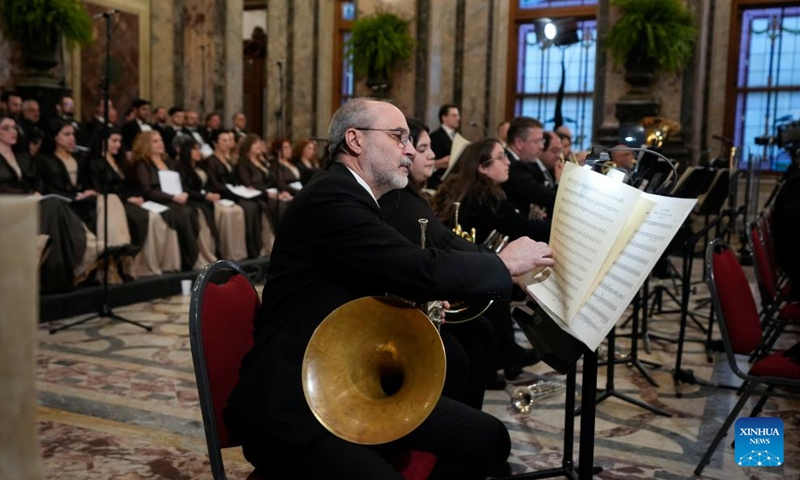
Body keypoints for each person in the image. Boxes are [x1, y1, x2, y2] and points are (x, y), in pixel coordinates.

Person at [225, 98, 555, 479]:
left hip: (348, 376)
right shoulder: (331, 196)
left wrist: (500, 280)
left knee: (489, 438)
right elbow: (417, 267)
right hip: (298, 400)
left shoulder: (361, 197)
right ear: (355, 140)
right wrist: (503, 264)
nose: (411, 149)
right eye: (398, 137)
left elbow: (393, 272)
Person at [379, 116, 503, 407]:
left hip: (419, 293)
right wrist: (501, 263)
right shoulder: (400, 198)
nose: (431, 155)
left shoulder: (411, 195)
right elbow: (443, 244)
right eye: (422, 148)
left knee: (480, 329)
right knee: (465, 345)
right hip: (395, 310)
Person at [0, 113, 94, 293]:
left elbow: (37, 184)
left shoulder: (23, 157)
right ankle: (89, 249)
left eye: (14, 128)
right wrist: (26, 194)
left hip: (31, 203)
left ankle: (56, 275)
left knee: (55, 206)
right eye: (6, 128)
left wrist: (33, 193)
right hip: (7, 206)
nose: (13, 132)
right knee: (55, 205)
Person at [86, 127, 181, 277]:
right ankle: (143, 264)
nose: (118, 145)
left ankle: (161, 263)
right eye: (114, 141)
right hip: (113, 203)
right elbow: (100, 188)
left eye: (119, 141)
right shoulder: (95, 162)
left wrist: (135, 197)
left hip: (129, 199)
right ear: (103, 142)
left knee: (160, 214)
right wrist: (127, 198)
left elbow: (131, 185)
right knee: (148, 217)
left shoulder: (121, 161)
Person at [427, 103, 461, 189]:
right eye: (454, 115)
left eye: (458, 115)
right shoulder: (436, 136)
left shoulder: (456, 136)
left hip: (452, 182)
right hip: (439, 182)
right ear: (444, 117)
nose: (458, 118)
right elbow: (432, 159)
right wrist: (441, 162)